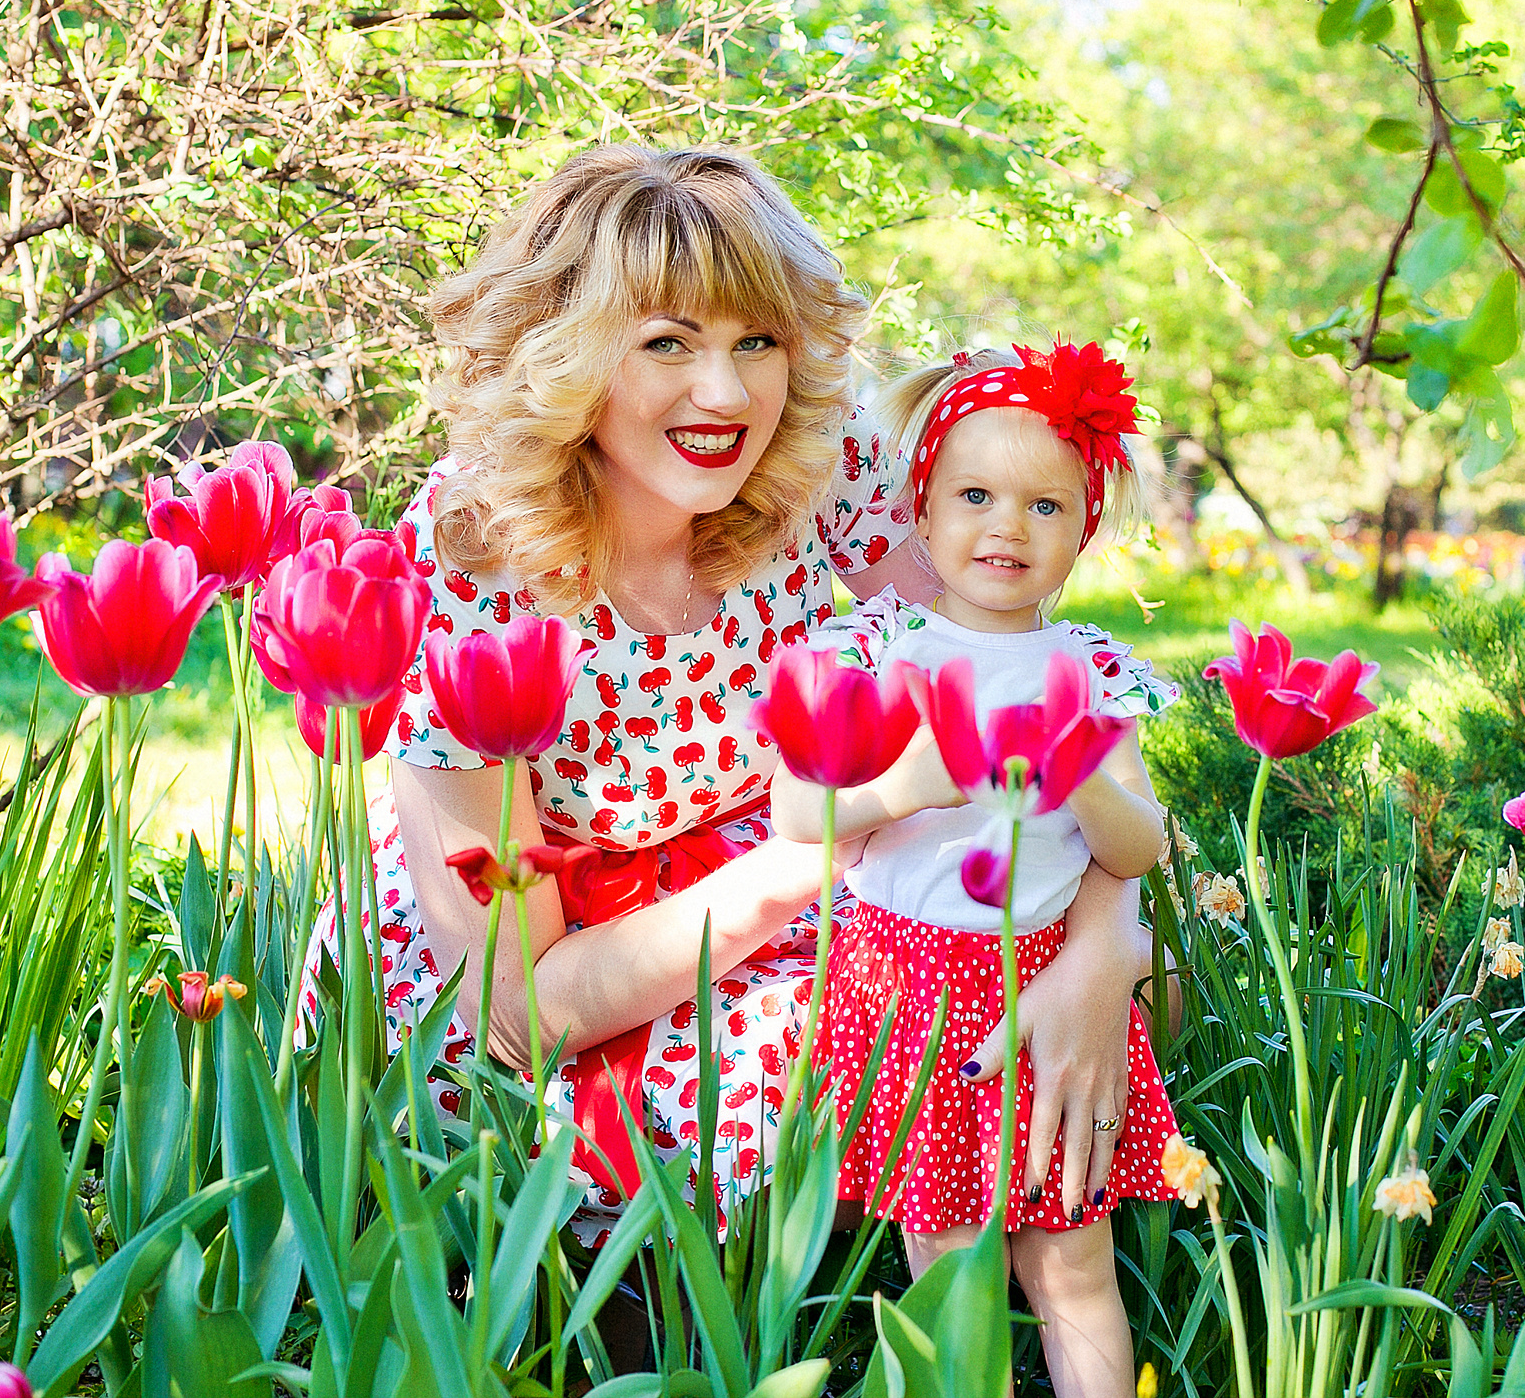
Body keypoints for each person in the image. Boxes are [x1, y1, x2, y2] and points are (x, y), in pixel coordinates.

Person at [340, 145, 1153, 1239]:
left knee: (1098, 1005)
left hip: (791, 860)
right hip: (578, 952)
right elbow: (516, 1014)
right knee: (832, 1077)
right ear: (567, 353)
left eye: (756, 340)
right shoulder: (473, 555)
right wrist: (832, 842)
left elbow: (1015, 687)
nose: (725, 394)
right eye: (667, 342)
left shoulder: (815, 461)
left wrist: (1103, 950)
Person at [771, 343, 1181, 1398]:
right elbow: (796, 811)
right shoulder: (880, 647)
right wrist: (900, 786)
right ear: (920, 508)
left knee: (1072, 1259)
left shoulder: (1088, 669)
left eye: (1045, 506)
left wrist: (1084, 781)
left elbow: (1141, 845)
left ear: (1084, 529)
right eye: (975, 496)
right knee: (953, 1264)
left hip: (1041, 980)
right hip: (904, 987)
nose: (1008, 526)